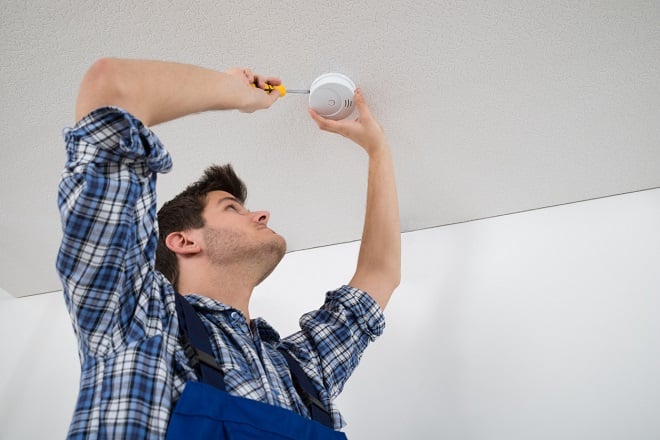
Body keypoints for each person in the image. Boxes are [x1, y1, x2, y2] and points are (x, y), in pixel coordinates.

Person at [57, 58, 400, 439]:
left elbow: (379, 276)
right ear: (183, 241)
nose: (263, 214)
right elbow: (110, 87)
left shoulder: (299, 372)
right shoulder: (138, 318)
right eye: (233, 208)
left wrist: (378, 149)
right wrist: (233, 92)